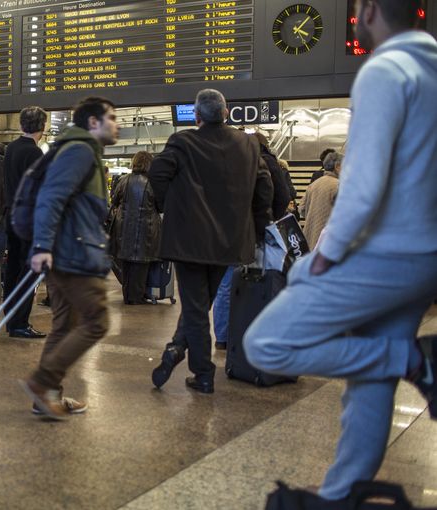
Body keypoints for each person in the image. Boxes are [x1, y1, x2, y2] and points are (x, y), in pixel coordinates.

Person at [245, 1, 437, 500]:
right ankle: (343, 492)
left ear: (369, 10)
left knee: (267, 342)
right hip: (425, 259)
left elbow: (364, 184)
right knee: (368, 381)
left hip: (384, 252)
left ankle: (413, 360)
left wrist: (323, 258)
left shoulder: (386, 70)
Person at [149, 89, 272, 395]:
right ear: (227, 112)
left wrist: (169, 207)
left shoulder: (183, 141)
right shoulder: (247, 144)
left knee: (194, 307)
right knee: (200, 304)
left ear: (198, 116)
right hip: (230, 242)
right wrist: (256, 227)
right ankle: (176, 348)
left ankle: (203, 372)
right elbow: (265, 186)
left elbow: (157, 173)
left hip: (189, 240)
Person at [19, 96, 118, 420]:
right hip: (72, 252)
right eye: (112, 118)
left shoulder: (78, 149)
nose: (117, 124)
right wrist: (42, 246)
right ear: (93, 122)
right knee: (98, 321)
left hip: (65, 249)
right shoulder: (79, 150)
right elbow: (52, 196)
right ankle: (42, 382)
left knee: (65, 324)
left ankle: (48, 397)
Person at [212, 131, 294, 349]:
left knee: (226, 283)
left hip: (225, 231)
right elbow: (282, 196)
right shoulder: (266, 162)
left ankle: (222, 336)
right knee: (262, 279)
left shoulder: (225, 162)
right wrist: (269, 220)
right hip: (257, 231)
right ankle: (255, 331)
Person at [2, 106, 48, 339]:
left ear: (21, 125)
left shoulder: (11, 148)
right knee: (29, 271)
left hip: (11, 215)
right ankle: (20, 323)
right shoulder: (34, 154)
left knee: (13, 269)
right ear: (43, 126)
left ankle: (11, 319)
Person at [107, 151, 160, 305]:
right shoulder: (154, 183)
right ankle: (137, 296)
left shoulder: (123, 180)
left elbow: (114, 201)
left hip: (123, 229)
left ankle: (129, 296)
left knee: (126, 265)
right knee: (141, 266)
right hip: (147, 230)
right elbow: (161, 206)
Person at [299, 151, 342, 250]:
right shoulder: (339, 185)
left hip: (310, 240)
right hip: (328, 244)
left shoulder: (314, 184)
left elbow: (302, 208)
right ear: (338, 166)